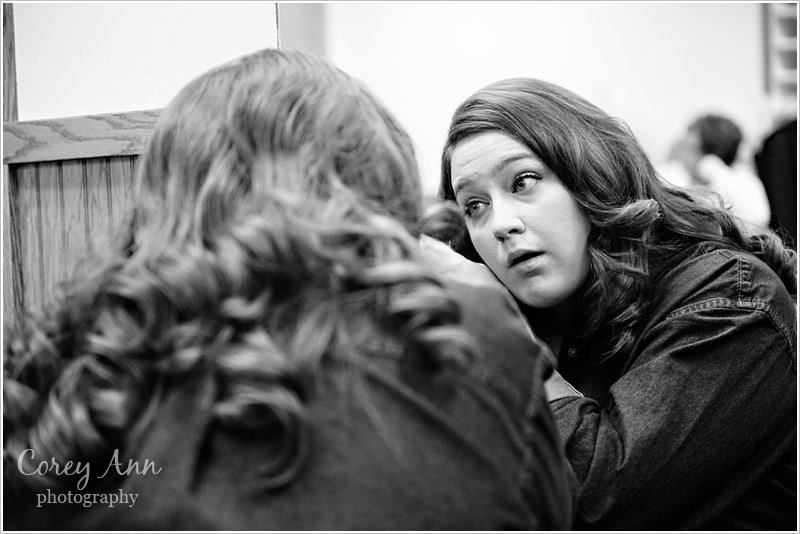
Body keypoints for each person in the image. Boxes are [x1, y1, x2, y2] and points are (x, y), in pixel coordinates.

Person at [3, 50, 576, 530]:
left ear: (165, 200)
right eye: (475, 204)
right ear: (379, 189)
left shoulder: (58, 382)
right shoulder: (463, 334)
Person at [436, 77, 797, 530]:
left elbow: (597, 501)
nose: (500, 224)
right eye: (474, 206)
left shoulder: (732, 298)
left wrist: (503, 334)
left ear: (590, 175)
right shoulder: (535, 313)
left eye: (523, 181)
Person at [658, 114, 772, 235]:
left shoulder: (742, 183)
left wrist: (715, 172)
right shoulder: (677, 178)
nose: (684, 155)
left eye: (692, 149)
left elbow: (756, 221)